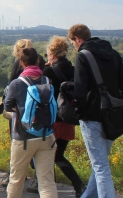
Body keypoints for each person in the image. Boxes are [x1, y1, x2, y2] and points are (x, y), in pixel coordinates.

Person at [69, 24, 123, 198]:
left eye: (72, 42)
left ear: (78, 39)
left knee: (100, 167)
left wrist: (79, 113)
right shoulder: (113, 54)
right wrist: (115, 104)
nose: (74, 46)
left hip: (92, 117)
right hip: (113, 117)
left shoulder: (83, 56)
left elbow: (80, 91)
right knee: (100, 163)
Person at [4, 47, 58, 198]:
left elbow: (7, 106)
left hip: (24, 138)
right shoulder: (47, 81)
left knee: (16, 180)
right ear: (38, 61)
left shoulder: (17, 83)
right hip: (47, 136)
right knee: (47, 181)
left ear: (22, 63)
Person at [41, 35, 86, 197]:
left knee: (46, 155)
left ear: (52, 54)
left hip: (52, 119)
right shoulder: (74, 70)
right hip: (68, 119)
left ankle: (49, 187)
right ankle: (77, 185)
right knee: (58, 155)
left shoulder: (47, 71)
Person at [0, 38, 45, 189]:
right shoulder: (42, 66)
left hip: (21, 111)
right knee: (39, 147)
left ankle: (13, 176)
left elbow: (11, 82)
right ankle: (39, 178)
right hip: (42, 113)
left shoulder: (19, 64)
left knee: (19, 146)